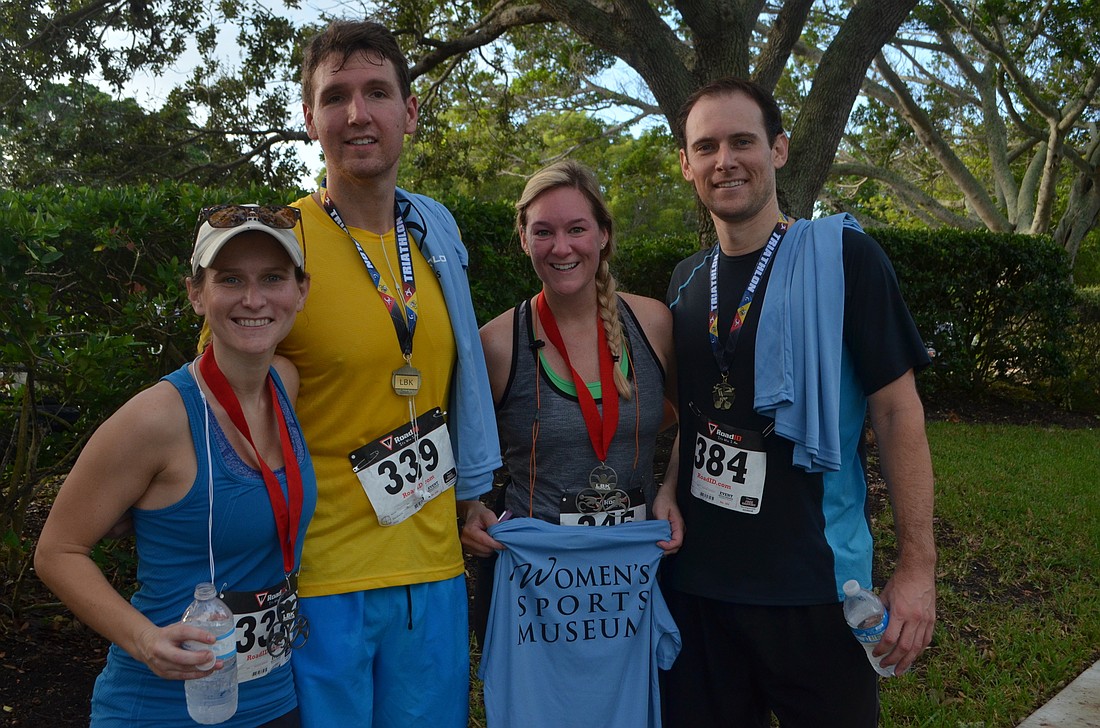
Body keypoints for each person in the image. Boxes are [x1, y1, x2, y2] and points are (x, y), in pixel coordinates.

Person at [656, 77, 937, 727]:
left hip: (815, 588)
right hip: (700, 589)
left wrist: (917, 567)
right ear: (687, 164)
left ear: (778, 150)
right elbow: (691, 415)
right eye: (706, 147)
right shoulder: (687, 280)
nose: (725, 160)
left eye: (742, 141)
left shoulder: (845, 259)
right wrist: (667, 487)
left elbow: (898, 413)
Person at [277, 19, 501, 728]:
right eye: (335, 96)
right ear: (309, 118)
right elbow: (226, 414)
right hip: (321, 582)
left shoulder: (436, 238)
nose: (357, 113)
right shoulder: (275, 245)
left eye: (377, 92)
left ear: (409, 111)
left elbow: (452, 389)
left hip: (433, 575)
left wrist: (473, 495)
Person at [34, 203, 317, 727]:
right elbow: (57, 551)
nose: (253, 299)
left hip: (273, 698)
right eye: (230, 279)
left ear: (301, 292)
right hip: (165, 707)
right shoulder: (156, 418)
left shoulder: (284, 382)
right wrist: (144, 640)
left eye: (272, 278)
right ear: (196, 293)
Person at [459, 159, 683, 728]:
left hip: (635, 575)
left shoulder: (653, 324)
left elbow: (695, 417)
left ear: (603, 234)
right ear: (524, 239)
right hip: (537, 584)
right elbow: (459, 452)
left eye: (577, 228)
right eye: (544, 231)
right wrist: (468, 507)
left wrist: (670, 487)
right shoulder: (497, 343)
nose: (562, 247)